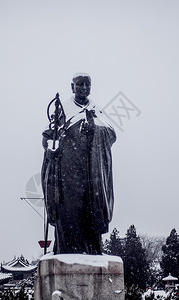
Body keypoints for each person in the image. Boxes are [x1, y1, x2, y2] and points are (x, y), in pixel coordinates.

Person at [41, 73, 116, 255]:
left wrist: (95, 129)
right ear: (72, 86)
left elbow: (112, 134)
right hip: (68, 171)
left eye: (87, 85)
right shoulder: (63, 109)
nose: (83, 88)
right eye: (80, 84)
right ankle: (67, 251)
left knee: (91, 212)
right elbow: (50, 135)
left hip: (91, 172)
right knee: (68, 213)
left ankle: (92, 251)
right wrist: (50, 146)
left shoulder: (96, 109)